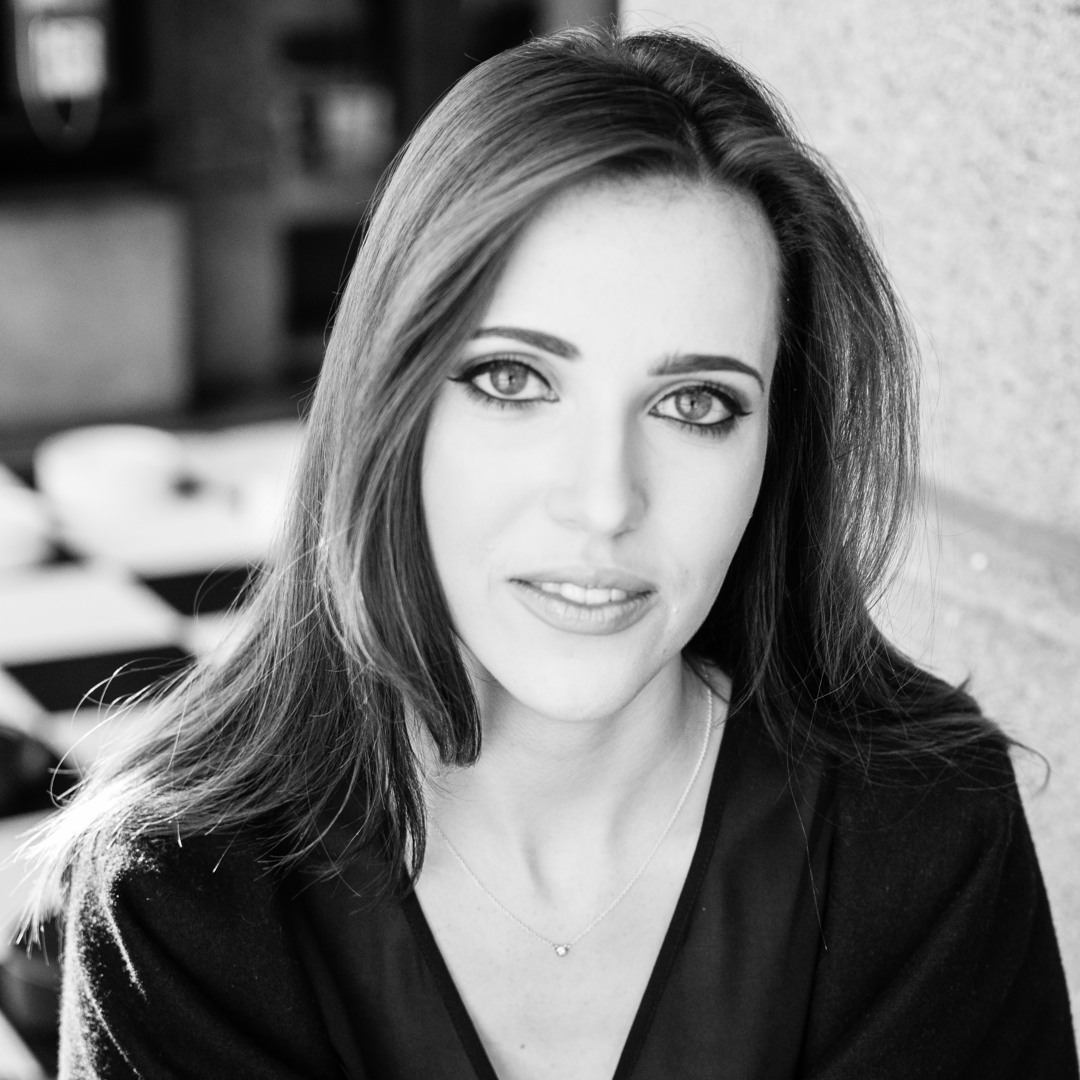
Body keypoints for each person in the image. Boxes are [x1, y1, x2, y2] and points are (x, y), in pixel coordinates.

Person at [25, 25, 1076, 1080]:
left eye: (695, 404)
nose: (605, 502)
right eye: (515, 381)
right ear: (392, 402)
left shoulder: (923, 833)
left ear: (776, 448)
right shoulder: (181, 887)